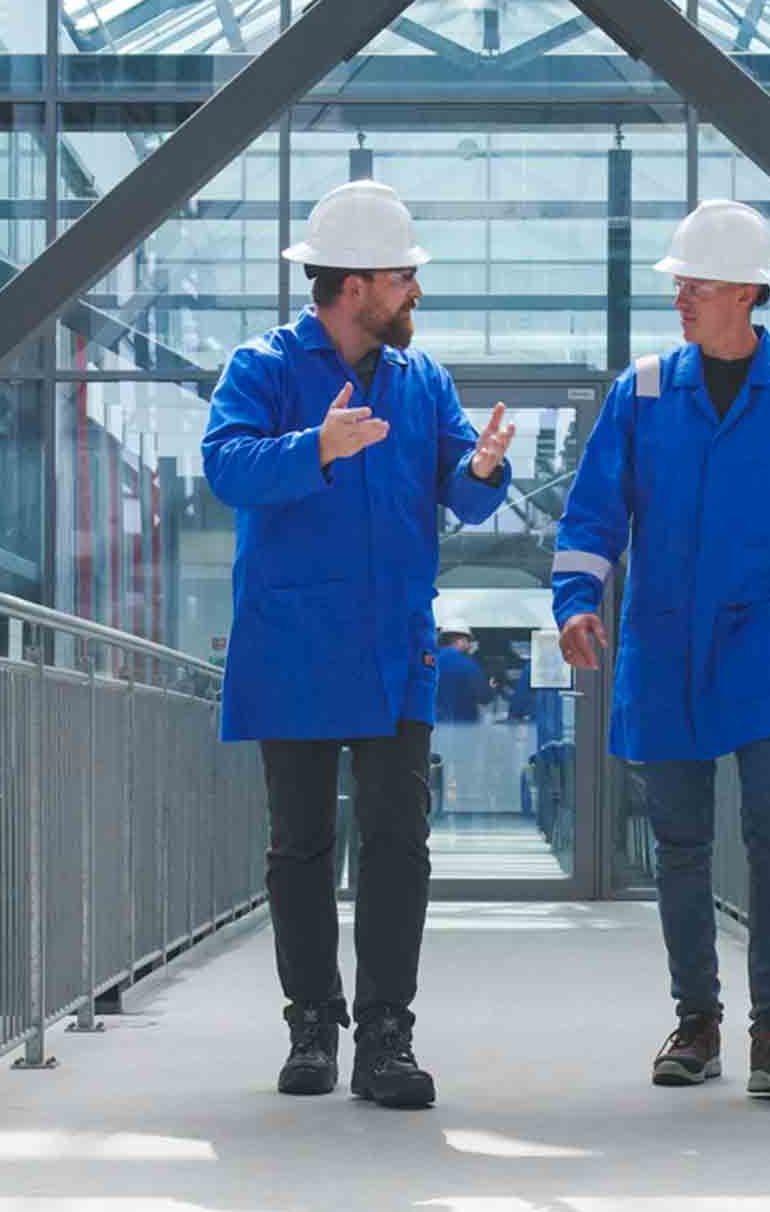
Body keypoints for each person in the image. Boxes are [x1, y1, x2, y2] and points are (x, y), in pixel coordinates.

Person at [550, 198, 770, 1096]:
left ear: (744, 291)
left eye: (693, 284)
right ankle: (696, 1022)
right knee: (681, 841)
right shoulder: (644, 392)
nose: (681, 298)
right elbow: (593, 513)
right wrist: (575, 600)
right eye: (680, 284)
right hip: (663, 646)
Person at [202, 179, 518, 1109]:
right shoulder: (262, 368)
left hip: (393, 650)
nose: (413, 290)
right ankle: (312, 1024)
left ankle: (386, 1032)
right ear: (351, 286)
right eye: (401, 276)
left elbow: (460, 491)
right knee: (301, 845)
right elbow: (226, 466)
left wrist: (485, 466)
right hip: (294, 642)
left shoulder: (425, 382)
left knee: (396, 842)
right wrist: (319, 447)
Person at [431, 632, 489, 816]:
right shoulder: (468, 665)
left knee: (436, 765)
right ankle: (461, 807)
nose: (470, 645)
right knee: (464, 767)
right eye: (468, 641)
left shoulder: (431, 661)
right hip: (465, 726)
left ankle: (436, 808)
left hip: (436, 726)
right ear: (460, 640)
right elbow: (484, 696)